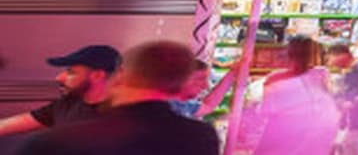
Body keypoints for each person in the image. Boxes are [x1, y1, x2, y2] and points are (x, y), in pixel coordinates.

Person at [19, 40, 219, 155]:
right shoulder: (201, 137)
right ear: (180, 84)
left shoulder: (55, 142)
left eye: (71, 71)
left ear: (121, 75)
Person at [243, 35, 338, 155]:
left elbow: (266, 110)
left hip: (281, 137)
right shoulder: (321, 74)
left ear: (289, 54)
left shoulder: (275, 78)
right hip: (314, 139)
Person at [0, 44, 119, 137]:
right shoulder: (68, 103)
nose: (59, 78)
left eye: (71, 72)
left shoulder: (120, 115)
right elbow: (19, 122)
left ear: (97, 75)